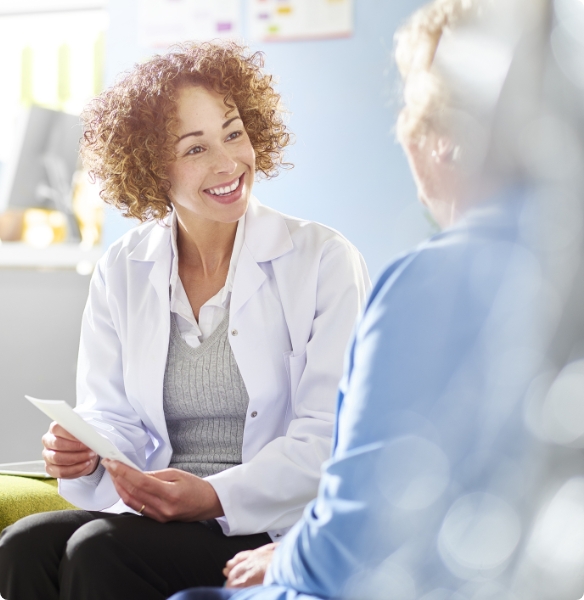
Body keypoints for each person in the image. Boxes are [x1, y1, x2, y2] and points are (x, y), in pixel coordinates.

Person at [168, 0, 571, 598]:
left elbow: (354, 534)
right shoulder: (545, 260)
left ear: (448, 140)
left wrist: (289, 553)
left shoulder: (425, 281)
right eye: (194, 146)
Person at [0, 41, 370, 600]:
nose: (227, 163)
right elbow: (113, 417)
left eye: (233, 133)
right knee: (22, 545)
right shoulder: (123, 268)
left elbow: (329, 438)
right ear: (151, 166)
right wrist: (82, 451)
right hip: (159, 512)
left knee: (98, 550)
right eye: (195, 148)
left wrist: (212, 496)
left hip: (266, 523)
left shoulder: (322, 259)